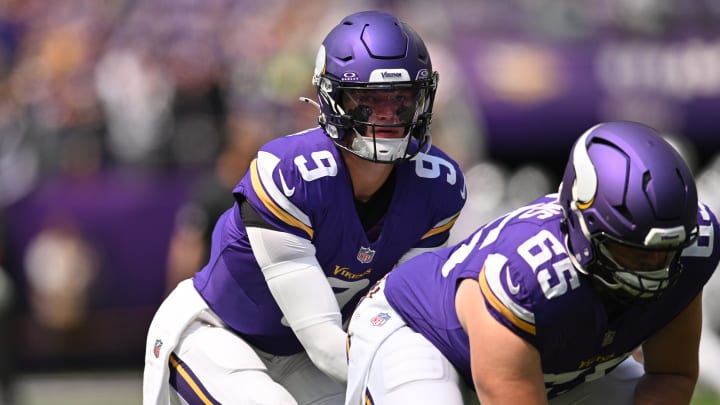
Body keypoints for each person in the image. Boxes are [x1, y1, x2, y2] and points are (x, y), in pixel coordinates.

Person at [143, 10, 466, 405]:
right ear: (333, 99)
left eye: (401, 99)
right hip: (216, 333)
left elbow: (405, 316)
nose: (386, 116)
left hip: (303, 358)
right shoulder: (290, 175)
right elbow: (324, 338)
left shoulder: (438, 187)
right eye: (367, 100)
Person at [345, 120, 720, 405]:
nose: (650, 268)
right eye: (632, 252)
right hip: (421, 333)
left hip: (551, 358)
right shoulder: (526, 276)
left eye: (663, 253)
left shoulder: (692, 246)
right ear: (581, 227)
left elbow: (670, 375)